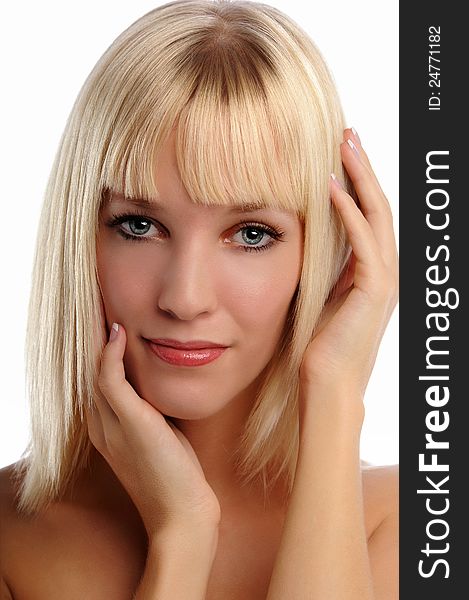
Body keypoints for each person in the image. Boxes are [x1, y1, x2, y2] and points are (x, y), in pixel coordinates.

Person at [0, 0, 399, 598]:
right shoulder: (10, 538)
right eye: (139, 225)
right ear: (79, 237)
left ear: (323, 257)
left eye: (252, 235)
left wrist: (337, 393)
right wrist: (182, 538)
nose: (185, 299)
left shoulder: (414, 524)